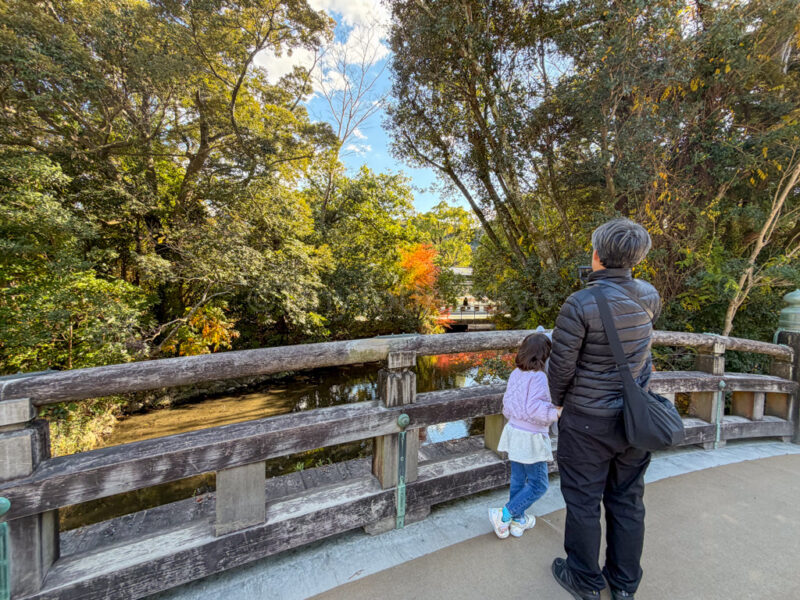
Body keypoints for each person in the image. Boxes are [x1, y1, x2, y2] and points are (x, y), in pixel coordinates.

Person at [549, 218, 661, 600]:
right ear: (636, 258)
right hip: (633, 418)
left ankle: (584, 578)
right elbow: (640, 353)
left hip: (586, 420)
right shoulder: (648, 295)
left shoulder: (580, 303)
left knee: (583, 501)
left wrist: (559, 403)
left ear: (597, 255)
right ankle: (625, 584)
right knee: (628, 499)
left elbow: (561, 365)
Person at [488, 332, 562, 539]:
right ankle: (504, 514)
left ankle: (517, 519)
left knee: (518, 479)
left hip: (513, 431)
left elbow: (508, 404)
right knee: (539, 484)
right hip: (530, 437)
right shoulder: (539, 377)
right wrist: (555, 413)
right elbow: (535, 409)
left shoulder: (515, 373)